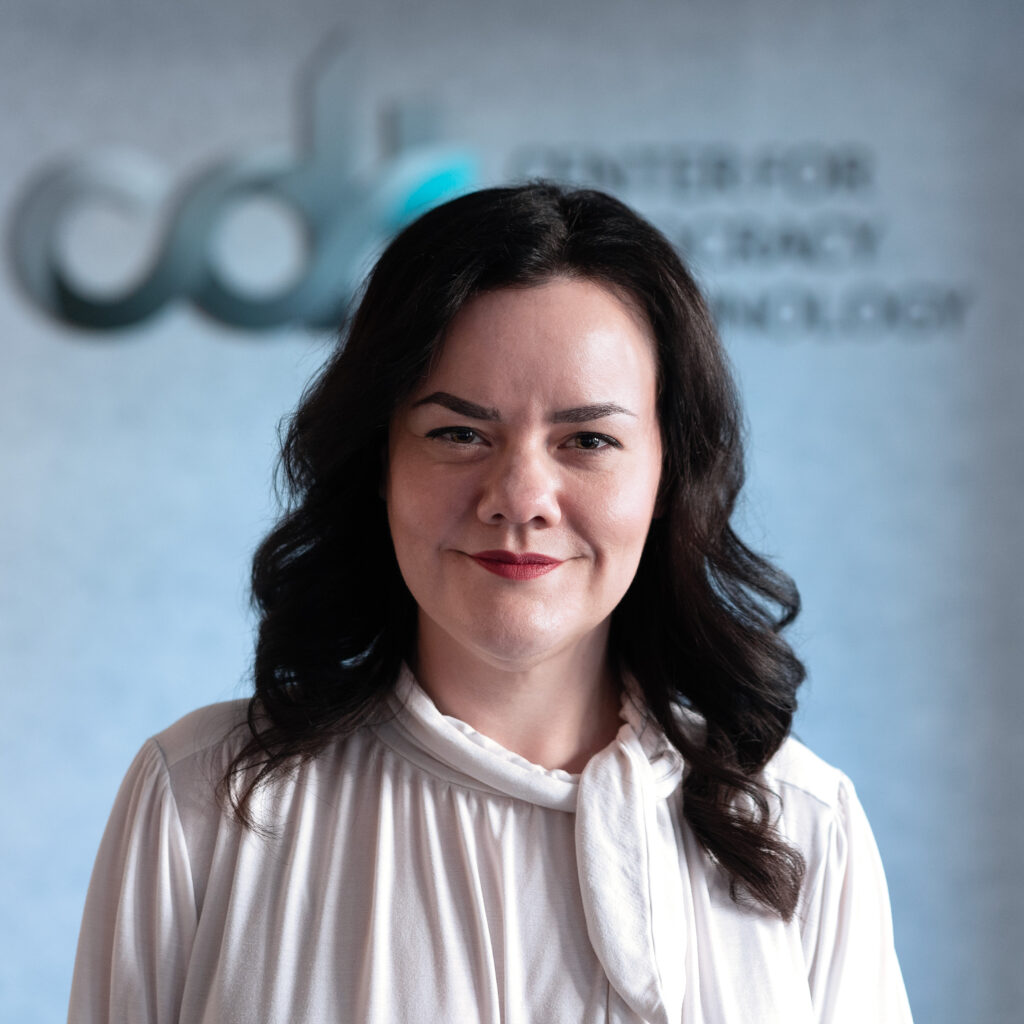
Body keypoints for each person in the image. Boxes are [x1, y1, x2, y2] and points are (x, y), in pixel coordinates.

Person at [68, 183, 913, 1023]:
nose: (519, 498)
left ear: (668, 477)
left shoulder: (800, 825)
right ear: (379, 462)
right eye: (459, 433)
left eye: (588, 440)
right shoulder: (201, 800)